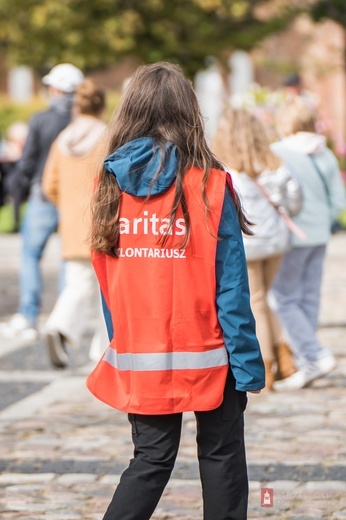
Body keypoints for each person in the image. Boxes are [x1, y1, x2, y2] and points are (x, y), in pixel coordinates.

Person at [86, 62, 265, 520]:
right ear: (191, 114)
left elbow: (109, 281)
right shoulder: (211, 184)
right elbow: (231, 286)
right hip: (212, 353)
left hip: (140, 352)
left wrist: (121, 342)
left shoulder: (108, 185)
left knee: (149, 460)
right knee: (222, 459)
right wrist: (247, 362)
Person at [213, 107, 302, 390]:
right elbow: (294, 202)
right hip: (276, 241)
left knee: (257, 302)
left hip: (248, 244)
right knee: (266, 299)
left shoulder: (226, 169)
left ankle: (266, 365)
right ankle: (285, 358)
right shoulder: (275, 163)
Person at [0, 63, 84, 339]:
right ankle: (63, 318)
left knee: (30, 256)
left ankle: (29, 314)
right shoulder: (82, 122)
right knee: (66, 257)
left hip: (42, 197)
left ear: (57, 89)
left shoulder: (40, 119)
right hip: (72, 200)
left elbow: (28, 162)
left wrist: (18, 189)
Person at [270, 96, 346, 391]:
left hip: (291, 237)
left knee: (283, 298)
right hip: (319, 236)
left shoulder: (278, 151)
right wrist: (321, 221)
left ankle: (314, 355)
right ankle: (306, 358)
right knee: (309, 296)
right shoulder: (324, 153)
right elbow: (338, 199)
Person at [42, 79, 108, 368]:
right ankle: (102, 347)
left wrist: (67, 205)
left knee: (78, 282)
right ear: (102, 105)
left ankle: (62, 325)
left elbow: (49, 184)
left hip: (71, 223)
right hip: (103, 221)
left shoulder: (63, 139)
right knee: (109, 290)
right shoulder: (108, 137)